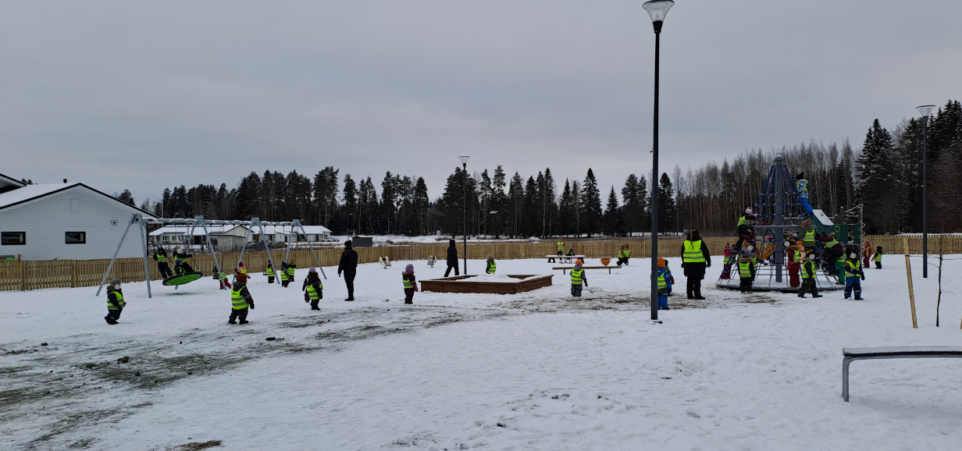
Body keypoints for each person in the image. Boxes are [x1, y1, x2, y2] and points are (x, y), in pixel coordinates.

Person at [680, 229, 712, 300]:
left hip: (688, 264)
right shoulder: (700, 242)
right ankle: (697, 294)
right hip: (699, 264)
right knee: (697, 279)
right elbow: (706, 252)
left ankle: (689, 295)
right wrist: (708, 262)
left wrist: (683, 262)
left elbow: (682, 253)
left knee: (690, 279)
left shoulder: (686, 242)